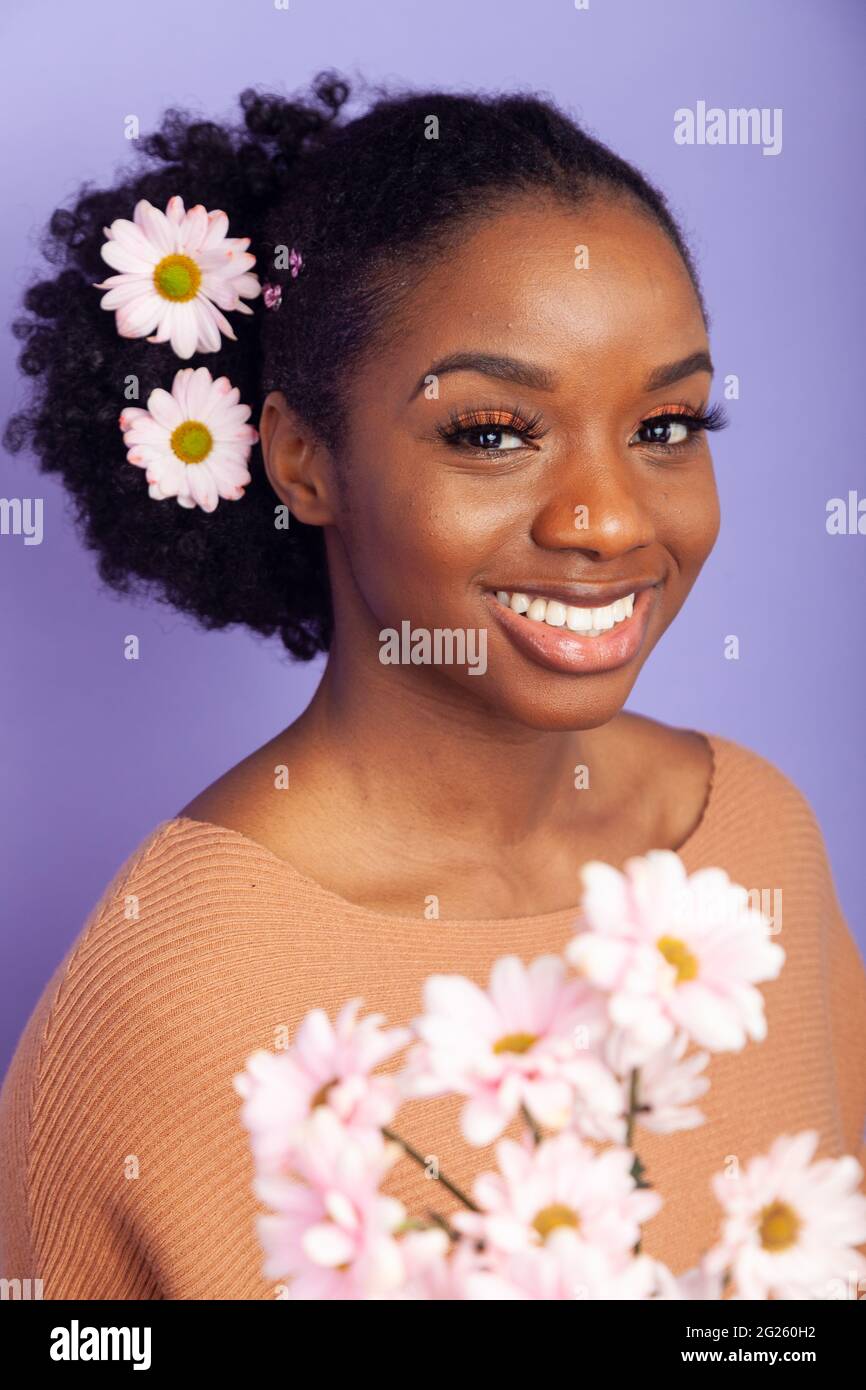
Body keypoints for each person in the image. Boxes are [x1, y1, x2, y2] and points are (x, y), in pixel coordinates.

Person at [1, 72, 864, 1299]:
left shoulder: (754, 844)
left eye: (665, 423)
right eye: (492, 432)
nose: (607, 519)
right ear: (302, 459)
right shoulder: (172, 993)